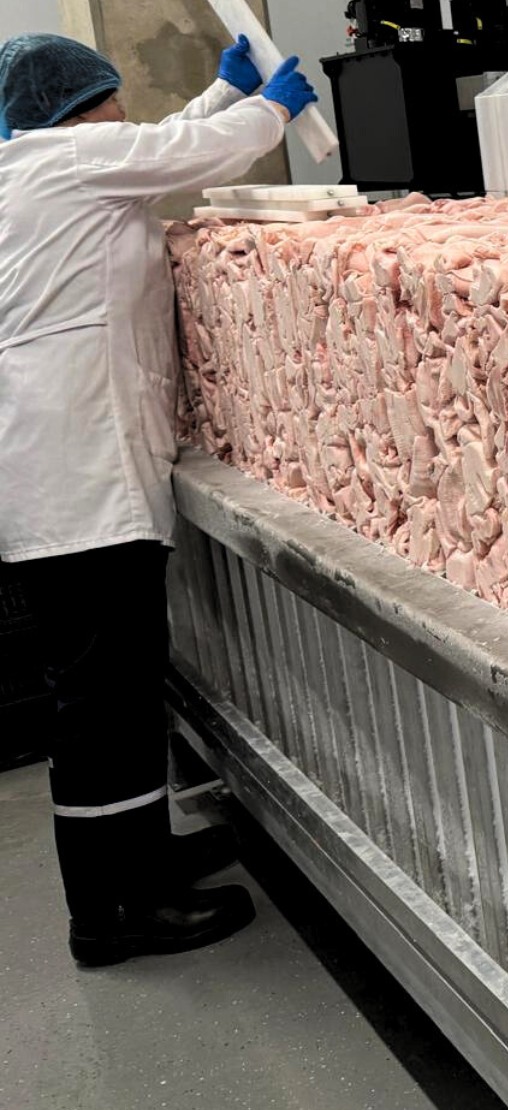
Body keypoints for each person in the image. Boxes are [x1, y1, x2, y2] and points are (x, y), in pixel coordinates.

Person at [0, 33, 319, 967]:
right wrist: (272, 107)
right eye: (111, 99)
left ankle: (142, 860)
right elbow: (183, 152)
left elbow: (158, 146)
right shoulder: (76, 161)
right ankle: (112, 912)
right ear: (85, 106)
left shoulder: (49, 166)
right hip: (80, 487)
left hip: (66, 479)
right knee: (101, 705)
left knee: (116, 693)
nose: (122, 113)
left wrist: (222, 90)